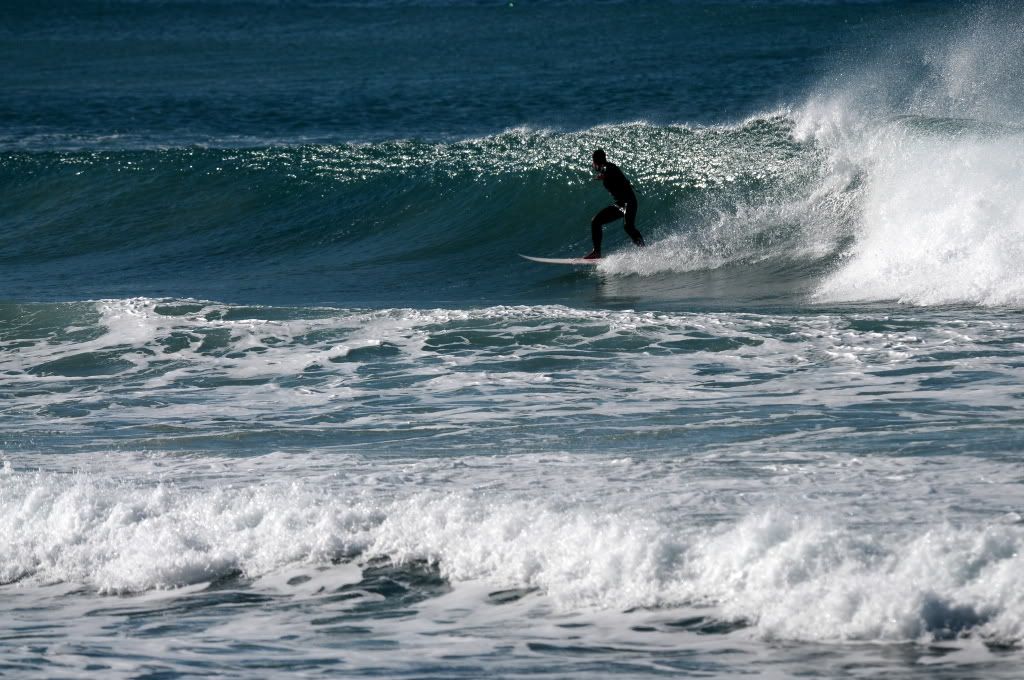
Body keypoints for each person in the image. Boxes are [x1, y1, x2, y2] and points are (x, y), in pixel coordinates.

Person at [584, 149, 645, 259]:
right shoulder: (605, 169)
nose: (593, 165)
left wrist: (604, 175)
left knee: (628, 226)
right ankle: (596, 252)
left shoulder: (609, 168)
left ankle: (643, 250)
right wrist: (603, 175)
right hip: (620, 204)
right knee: (596, 221)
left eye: (594, 161)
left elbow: (610, 171)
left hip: (629, 202)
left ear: (597, 161)